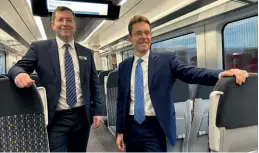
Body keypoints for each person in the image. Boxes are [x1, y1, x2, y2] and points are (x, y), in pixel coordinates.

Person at [116, 15, 249, 152]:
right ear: (130, 38)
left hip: (155, 126)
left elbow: (192, 73)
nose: (144, 36)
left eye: (147, 33)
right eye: (138, 33)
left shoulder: (165, 60)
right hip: (131, 126)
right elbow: (122, 101)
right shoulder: (124, 66)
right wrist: (120, 131)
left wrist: (221, 74)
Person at [8, 6, 103, 152]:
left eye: (69, 20)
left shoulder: (87, 52)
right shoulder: (39, 48)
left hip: (82, 116)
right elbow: (17, 68)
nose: (65, 23)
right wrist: (19, 74)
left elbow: (94, 84)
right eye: (60, 20)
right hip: (56, 118)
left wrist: (97, 111)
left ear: (74, 25)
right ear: (53, 25)